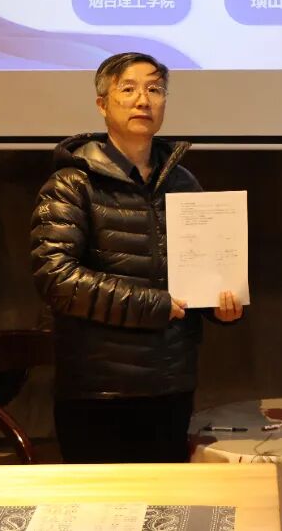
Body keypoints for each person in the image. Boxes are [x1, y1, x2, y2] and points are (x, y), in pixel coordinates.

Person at [31, 51, 243, 463]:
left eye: (155, 90)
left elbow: (201, 269)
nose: (143, 100)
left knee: (167, 498)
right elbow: (56, 278)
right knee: (101, 500)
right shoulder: (71, 183)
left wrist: (221, 305)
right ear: (102, 104)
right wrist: (154, 305)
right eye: (128, 89)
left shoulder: (182, 181)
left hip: (170, 382)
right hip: (98, 387)